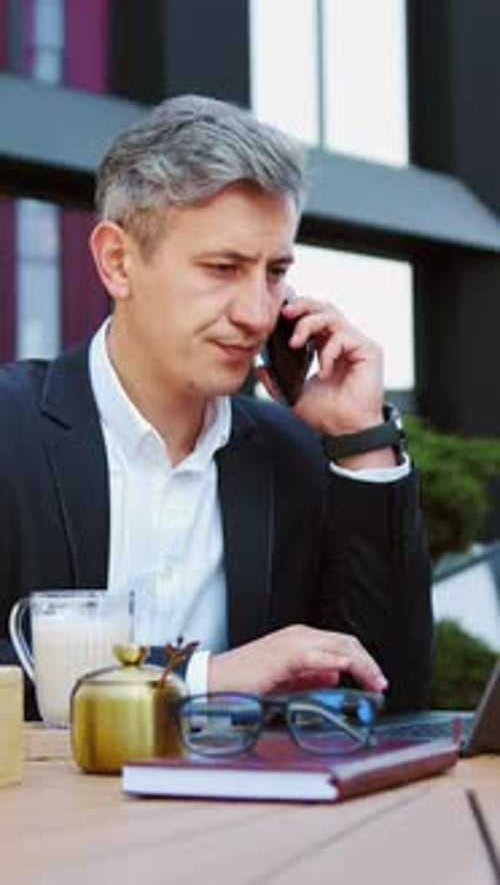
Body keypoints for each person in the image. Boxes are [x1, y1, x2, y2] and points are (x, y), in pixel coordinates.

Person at [0, 94, 433, 718]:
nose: (258, 312)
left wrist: (360, 441)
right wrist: (202, 675)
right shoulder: (11, 430)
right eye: (223, 268)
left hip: (247, 815)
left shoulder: (295, 456)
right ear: (118, 262)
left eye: (275, 271)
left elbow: (393, 697)